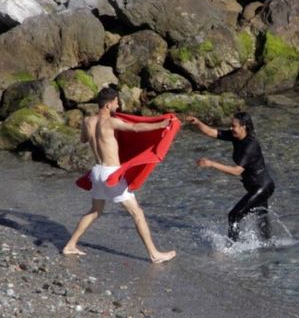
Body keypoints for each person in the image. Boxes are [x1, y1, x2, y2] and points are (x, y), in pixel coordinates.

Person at [62, 87, 176, 263]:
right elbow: (136, 128)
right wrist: (160, 125)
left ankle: (70, 245)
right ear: (108, 104)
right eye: (116, 101)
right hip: (110, 174)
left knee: (95, 212)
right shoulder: (111, 122)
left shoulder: (87, 121)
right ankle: (154, 254)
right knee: (137, 213)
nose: (118, 104)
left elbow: (84, 140)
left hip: (97, 171)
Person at [187, 112, 275, 242]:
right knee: (261, 220)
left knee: (234, 215)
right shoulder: (236, 136)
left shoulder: (250, 145)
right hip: (254, 187)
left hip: (262, 186)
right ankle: (270, 249)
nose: (231, 128)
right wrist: (198, 122)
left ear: (243, 127)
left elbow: (236, 171)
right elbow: (212, 132)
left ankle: (232, 246)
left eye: (234, 126)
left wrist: (211, 164)